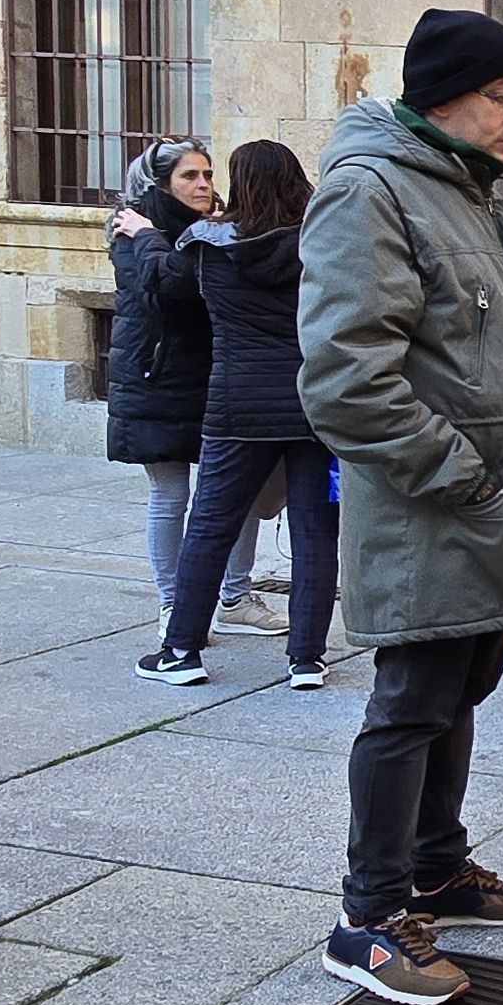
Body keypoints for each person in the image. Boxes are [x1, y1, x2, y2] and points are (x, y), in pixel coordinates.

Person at [298, 16, 503, 1005]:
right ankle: (368, 916)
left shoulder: (472, 190)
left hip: (491, 501)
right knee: (410, 702)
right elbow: (346, 379)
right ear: (443, 97)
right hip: (439, 506)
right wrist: (462, 473)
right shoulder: (371, 188)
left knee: (464, 677)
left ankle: (436, 866)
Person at [135, 140, 340, 691]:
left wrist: (145, 236)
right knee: (316, 533)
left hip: (237, 407)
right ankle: (307, 660)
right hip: (313, 407)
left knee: (210, 527)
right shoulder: (321, 244)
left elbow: (166, 279)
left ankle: (181, 650)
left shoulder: (209, 247)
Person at [107, 142, 280, 641]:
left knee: (238, 490)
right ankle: (172, 603)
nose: (204, 184)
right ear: (162, 184)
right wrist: (168, 241)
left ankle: (235, 596)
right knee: (170, 493)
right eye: (190, 177)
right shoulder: (132, 230)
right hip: (157, 379)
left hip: (216, 375)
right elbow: (174, 292)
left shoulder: (216, 228)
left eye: (208, 174)